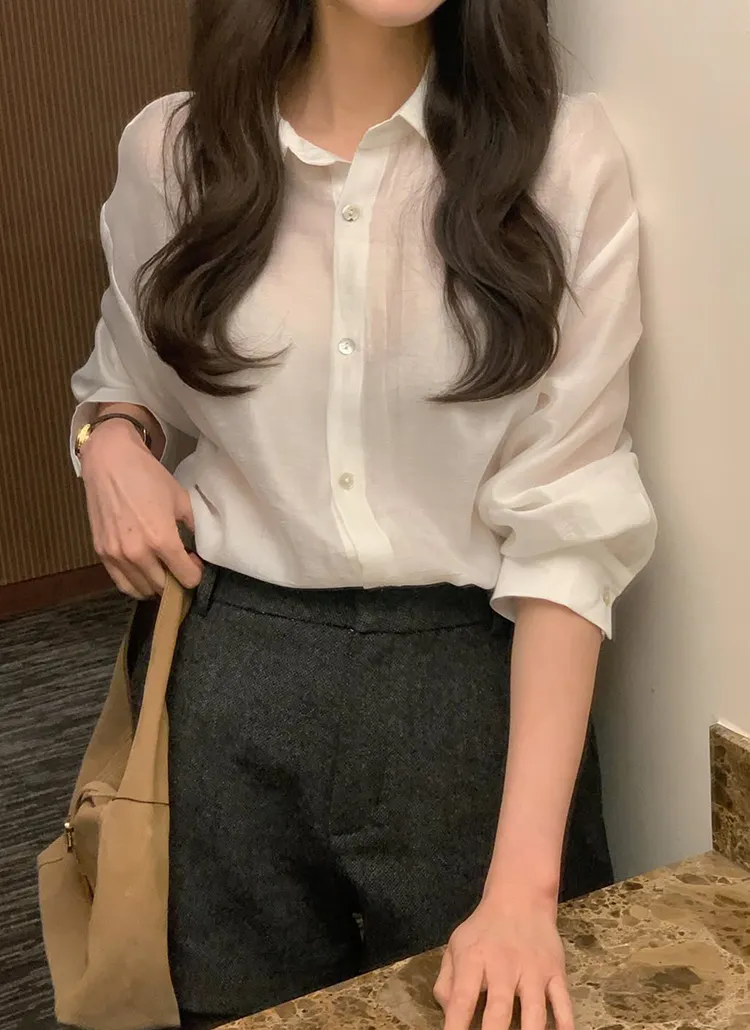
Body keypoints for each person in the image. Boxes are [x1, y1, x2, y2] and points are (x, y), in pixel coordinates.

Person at [69, 0, 657, 1028]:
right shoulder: (171, 151)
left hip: (471, 686)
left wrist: (523, 891)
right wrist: (108, 438)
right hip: (233, 673)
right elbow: (130, 376)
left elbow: (570, 524)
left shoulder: (562, 158)